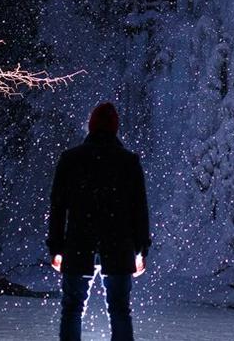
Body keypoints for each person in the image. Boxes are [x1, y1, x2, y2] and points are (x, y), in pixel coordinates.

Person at [47, 102, 151, 341]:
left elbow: (58, 207)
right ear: (115, 129)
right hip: (118, 246)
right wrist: (141, 249)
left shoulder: (70, 159)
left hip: (78, 243)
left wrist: (56, 246)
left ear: (91, 127)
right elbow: (139, 209)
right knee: (120, 310)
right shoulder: (128, 162)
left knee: (72, 309)